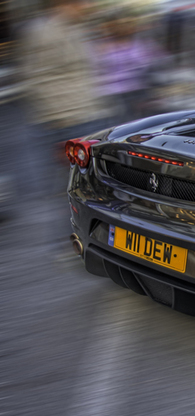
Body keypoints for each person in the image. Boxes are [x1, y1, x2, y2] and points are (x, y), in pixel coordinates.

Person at [17, 0, 112, 252]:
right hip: (66, 120)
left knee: (88, 182)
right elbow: (37, 80)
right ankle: (67, 240)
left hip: (86, 116)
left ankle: (85, 236)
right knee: (71, 184)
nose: (88, 6)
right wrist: (59, 121)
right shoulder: (43, 32)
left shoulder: (77, 28)